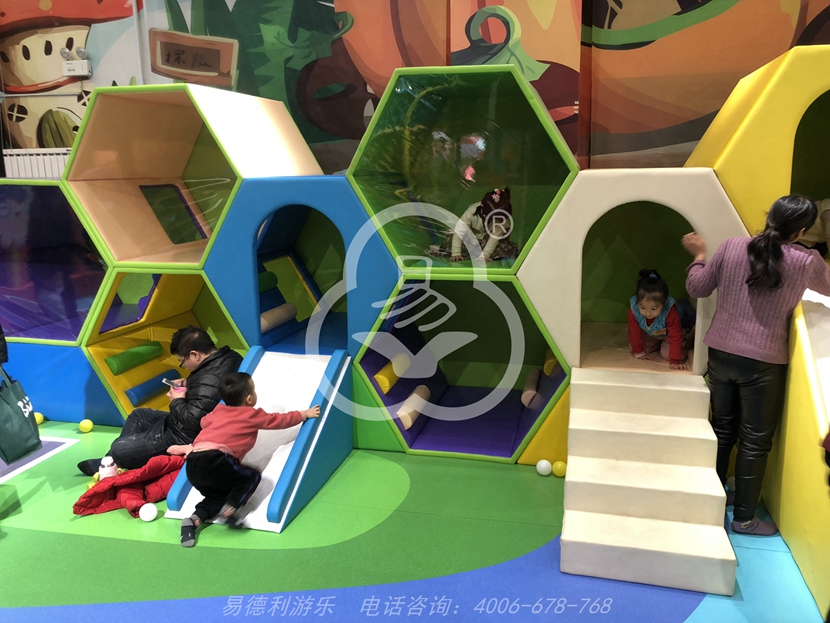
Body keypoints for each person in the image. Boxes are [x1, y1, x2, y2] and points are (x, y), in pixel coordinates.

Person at [683, 194, 830, 536]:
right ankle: (745, 519)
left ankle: (713, 499)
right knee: (754, 442)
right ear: (802, 231)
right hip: (763, 363)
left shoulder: (732, 246)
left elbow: (697, 287)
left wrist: (699, 256)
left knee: (722, 430)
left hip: (720, 354)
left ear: (770, 216)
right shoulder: (805, 261)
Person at [168, 372, 320, 547]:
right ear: (249, 398)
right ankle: (230, 510)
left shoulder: (218, 411)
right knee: (251, 476)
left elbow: (203, 422)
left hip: (193, 464)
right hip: (215, 458)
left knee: (216, 497)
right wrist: (304, 414)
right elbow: (278, 420)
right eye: (253, 389)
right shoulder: (250, 415)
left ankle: (193, 520)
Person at [77, 326, 243, 475]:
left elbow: (193, 420)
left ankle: (112, 461)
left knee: (118, 449)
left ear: (195, 355)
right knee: (139, 415)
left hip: (182, 436)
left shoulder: (209, 378)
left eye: (182, 362)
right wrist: (189, 383)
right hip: (180, 423)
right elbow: (207, 392)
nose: (183, 366)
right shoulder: (228, 357)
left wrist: (176, 400)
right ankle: (112, 461)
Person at [429, 188, 518, 263]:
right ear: (484, 214)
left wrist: (485, 255)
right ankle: (444, 251)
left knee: (507, 248)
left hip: (489, 243)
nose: (498, 220)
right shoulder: (472, 211)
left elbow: (494, 239)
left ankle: (475, 255)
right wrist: (456, 253)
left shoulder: (501, 221)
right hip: (473, 241)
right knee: (451, 240)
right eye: (495, 218)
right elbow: (459, 232)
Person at [628, 269, 687, 370]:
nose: (648, 313)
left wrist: (675, 360)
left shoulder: (670, 311)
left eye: (653, 309)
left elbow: (675, 335)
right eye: (643, 307)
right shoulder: (634, 310)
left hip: (669, 334)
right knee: (634, 349)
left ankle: (684, 341)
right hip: (650, 333)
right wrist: (639, 352)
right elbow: (634, 331)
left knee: (667, 355)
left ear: (664, 303)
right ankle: (657, 344)